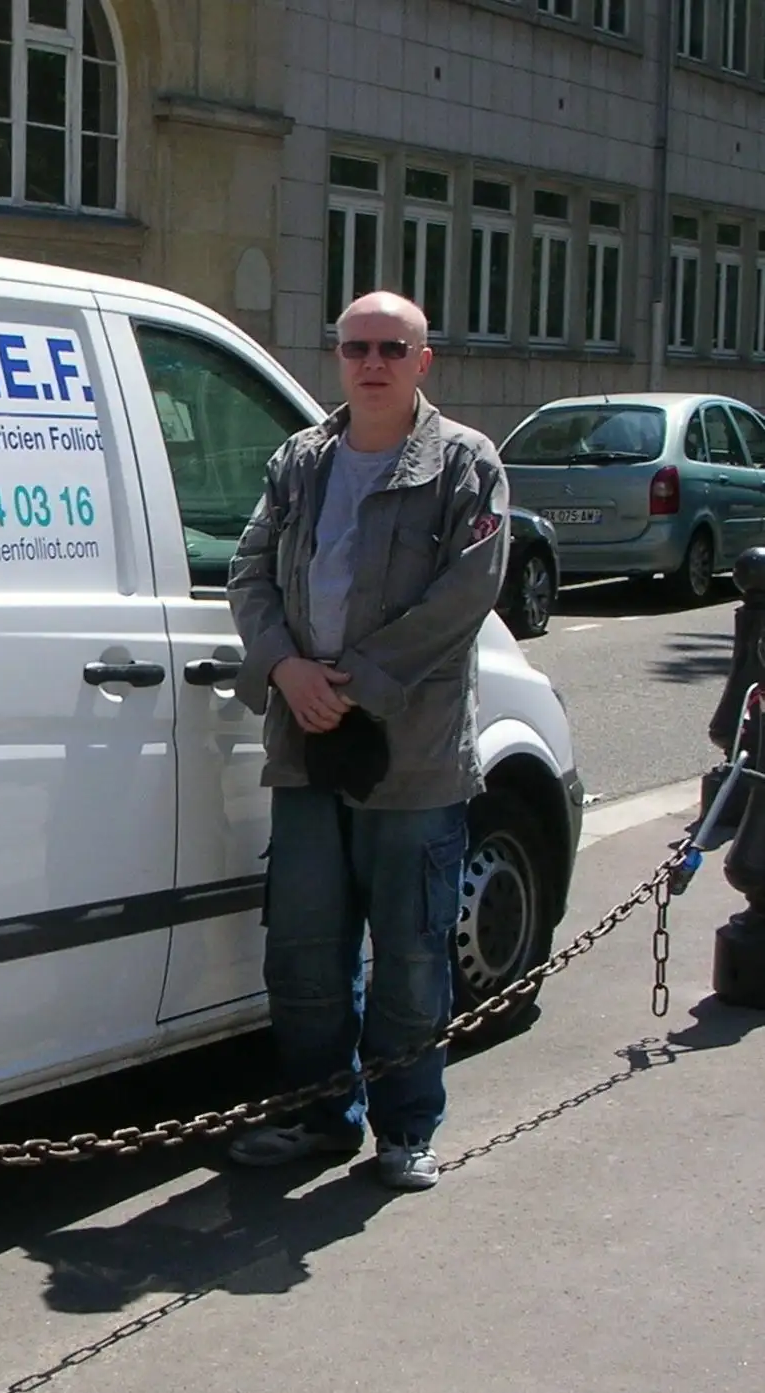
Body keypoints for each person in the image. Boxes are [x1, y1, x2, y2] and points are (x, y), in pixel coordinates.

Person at [224, 291, 511, 1192]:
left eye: (393, 347)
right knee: (304, 951)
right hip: (306, 743)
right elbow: (249, 570)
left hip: (412, 754)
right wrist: (284, 668)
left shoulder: (466, 463)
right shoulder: (301, 461)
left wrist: (354, 683)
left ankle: (405, 1128)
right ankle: (319, 1117)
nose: (373, 362)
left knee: (413, 953)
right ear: (338, 357)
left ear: (424, 360)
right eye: (357, 348)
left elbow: (465, 595)